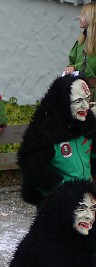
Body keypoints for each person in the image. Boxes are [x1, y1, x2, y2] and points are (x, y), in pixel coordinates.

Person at [18, 74, 96, 205]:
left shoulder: (87, 127)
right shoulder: (45, 132)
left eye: (87, 99)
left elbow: (93, 155)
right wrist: (59, 189)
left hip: (86, 197)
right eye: (78, 101)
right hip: (58, 201)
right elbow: (34, 168)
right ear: (64, 102)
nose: (85, 106)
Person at [67, 2, 96, 90]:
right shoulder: (81, 40)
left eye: (82, 15)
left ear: (90, 17)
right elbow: (72, 61)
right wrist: (71, 67)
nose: (79, 17)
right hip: (80, 92)